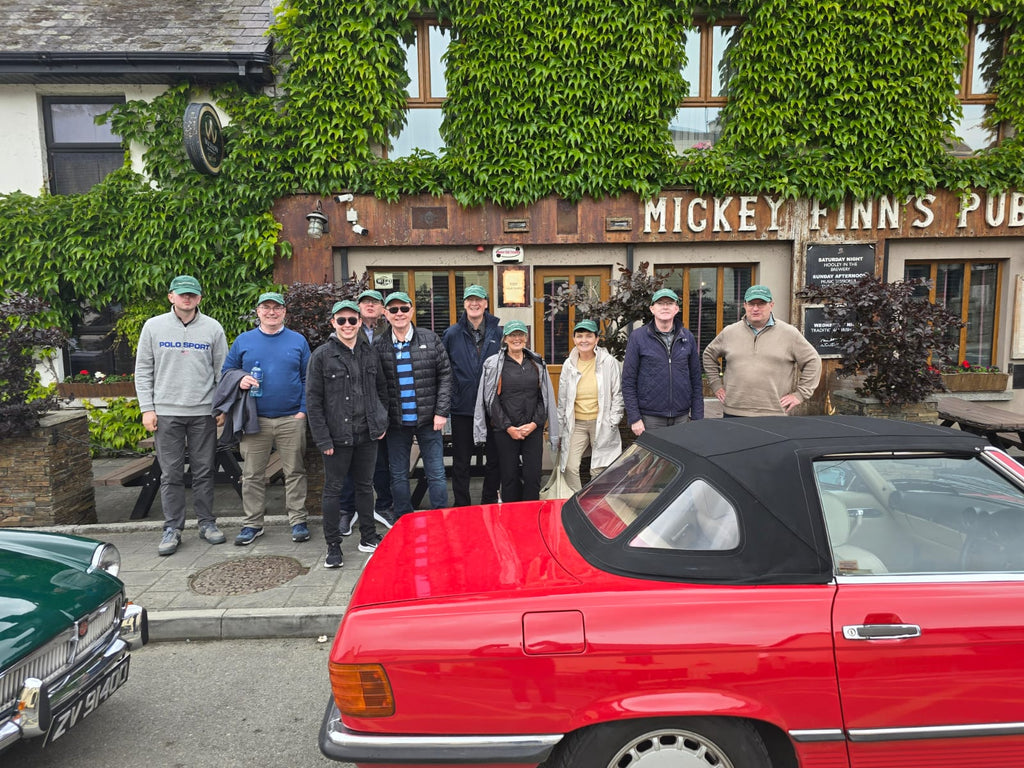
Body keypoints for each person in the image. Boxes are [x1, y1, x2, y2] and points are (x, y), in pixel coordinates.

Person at [135, 275, 228, 556]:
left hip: (203, 414)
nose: (187, 299)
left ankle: (206, 523)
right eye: (182, 294)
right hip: (166, 413)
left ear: (199, 298)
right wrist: (147, 409)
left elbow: (221, 372)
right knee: (171, 474)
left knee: (204, 472)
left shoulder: (213, 328)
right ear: (171, 297)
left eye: (192, 295)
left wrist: (221, 406)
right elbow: (143, 371)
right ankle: (172, 528)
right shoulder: (153, 327)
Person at [221, 291, 311, 546]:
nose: (271, 312)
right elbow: (227, 371)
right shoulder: (244, 340)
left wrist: (302, 410)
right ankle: (252, 524)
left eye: (277, 308)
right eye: (266, 307)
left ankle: (298, 521)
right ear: (258, 311)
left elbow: (308, 379)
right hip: (253, 419)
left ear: (284, 312)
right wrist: (240, 378)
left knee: (294, 471)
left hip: (290, 418)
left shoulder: (297, 341)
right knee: (251, 474)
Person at [307, 300, 389, 568]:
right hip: (336, 438)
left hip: (367, 433)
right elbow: (313, 401)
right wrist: (322, 438)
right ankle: (333, 545)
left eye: (352, 320)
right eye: (341, 320)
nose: (347, 325)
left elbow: (382, 390)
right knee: (333, 490)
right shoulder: (321, 355)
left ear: (358, 322)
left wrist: (381, 419)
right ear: (333, 323)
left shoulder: (370, 352)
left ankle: (368, 537)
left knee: (365, 487)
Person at [374, 291, 453, 520]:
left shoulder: (430, 339)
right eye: (394, 310)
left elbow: (446, 376)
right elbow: (374, 386)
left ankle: (440, 518)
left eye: (404, 309)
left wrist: (441, 412)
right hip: (396, 423)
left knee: (436, 473)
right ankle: (403, 518)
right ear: (386, 314)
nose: (399, 314)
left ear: (412, 311)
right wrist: (382, 419)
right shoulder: (379, 346)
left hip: (429, 420)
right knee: (398, 474)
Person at [702, 284, 822, 416]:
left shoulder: (789, 333)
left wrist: (800, 394)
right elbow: (709, 355)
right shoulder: (729, 332)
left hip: (773, 412)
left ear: (771, 305)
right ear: (745, 305)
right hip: (734, 410)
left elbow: (813, 361)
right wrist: (716, 385)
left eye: (761, 304)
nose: (755, 309)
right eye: (751, 304)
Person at [473, 320, 559, 503]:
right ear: (505, 339)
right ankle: (512, 521)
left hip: (532, 430)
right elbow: (491, 400)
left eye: (520, 335)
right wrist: (508, 427)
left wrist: (535, 423)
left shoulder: (536, 363)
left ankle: (531, 518)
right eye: (512, 335)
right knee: (509, 478)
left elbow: (543, 397)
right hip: (505, 431)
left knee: (533, 477)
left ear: (526, 338)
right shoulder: (495, 364)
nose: (516, 339)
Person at [337, 288, 393, 534]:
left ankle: (383, 505)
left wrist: (384, 412)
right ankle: (347, 510)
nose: (370, 305)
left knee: (381, 462)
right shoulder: (346, 329)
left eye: (375, 302)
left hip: (380, 408)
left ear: (383, 308)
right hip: (351, 411)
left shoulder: (391, 332)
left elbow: (384, 382)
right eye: (365, 302)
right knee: (350, 465)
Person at [442, 284, 503, 507]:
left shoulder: (499, 332)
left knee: (494, 459)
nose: (474, 303)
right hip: (463, 407)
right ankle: (462, 505)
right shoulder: (452, 334)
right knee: (461, 461)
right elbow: (444, 370)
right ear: (464, 304)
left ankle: (488, 500)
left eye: (478, 299)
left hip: (492, 408)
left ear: (486, 303)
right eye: (469, 300)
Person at [621, 287, 704, 436]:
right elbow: (628, 381)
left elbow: (696, 380)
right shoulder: (638, 337)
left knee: (680, 458)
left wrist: (698, 417)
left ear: (676, 309)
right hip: (650, 419)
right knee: (652, 459)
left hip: (682, 417)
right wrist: (634, 418)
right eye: (660, 303)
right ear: (652, 309)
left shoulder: (688, 337)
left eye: (669, 303)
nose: (665, 307)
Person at [557, 319, 624, 492]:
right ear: (574, 339)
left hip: (601, 421)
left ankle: (594, 502)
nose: (584, 340)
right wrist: (559, 426)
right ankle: (577, 500)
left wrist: (613, 420)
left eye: (588, 336)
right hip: (577, 423)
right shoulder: (568, 364)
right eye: (579, 336)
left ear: (596, 339)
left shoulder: (608, 362)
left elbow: (618, 393)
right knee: (569, 466)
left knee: (599, 469)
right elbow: (563, 399)